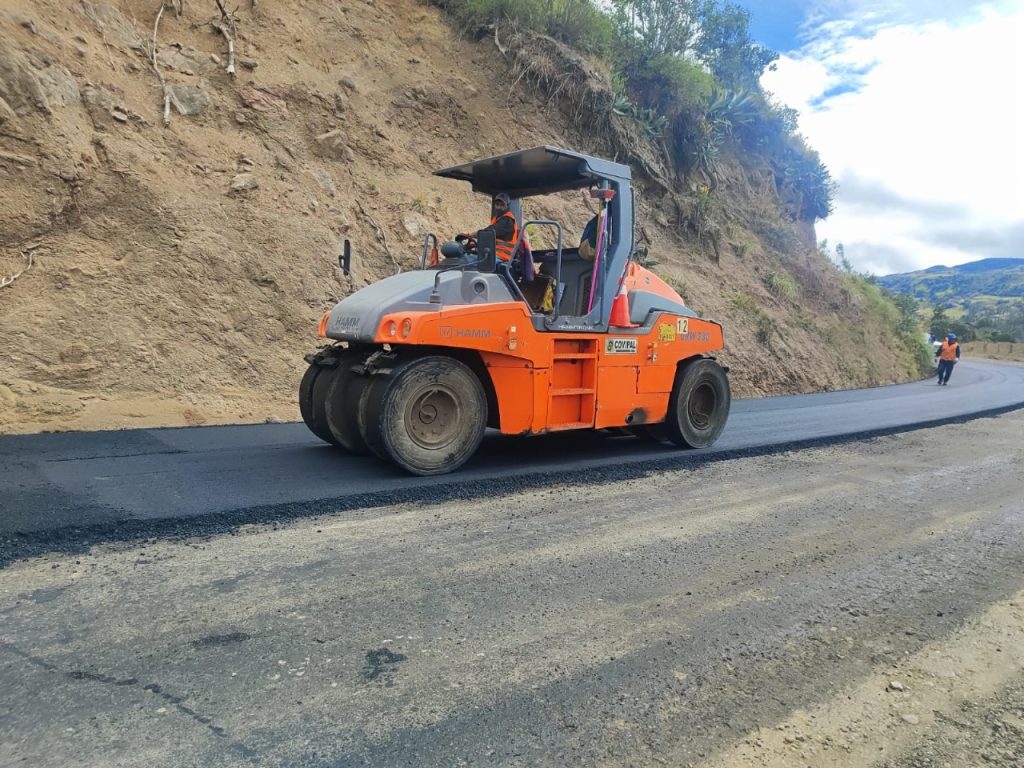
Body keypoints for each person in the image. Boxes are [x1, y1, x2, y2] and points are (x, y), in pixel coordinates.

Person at [456, 192, 519, 263]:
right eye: (497, 204)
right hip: (492, 254)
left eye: (502, 205)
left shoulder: (507, 220)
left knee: (464, 261)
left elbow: (488, 232)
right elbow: (491, 238)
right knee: (465, 258)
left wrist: (470, 235)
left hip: (501, 256)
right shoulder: (497, 219)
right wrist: (473, 245)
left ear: (507, 206)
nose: (499, 207)